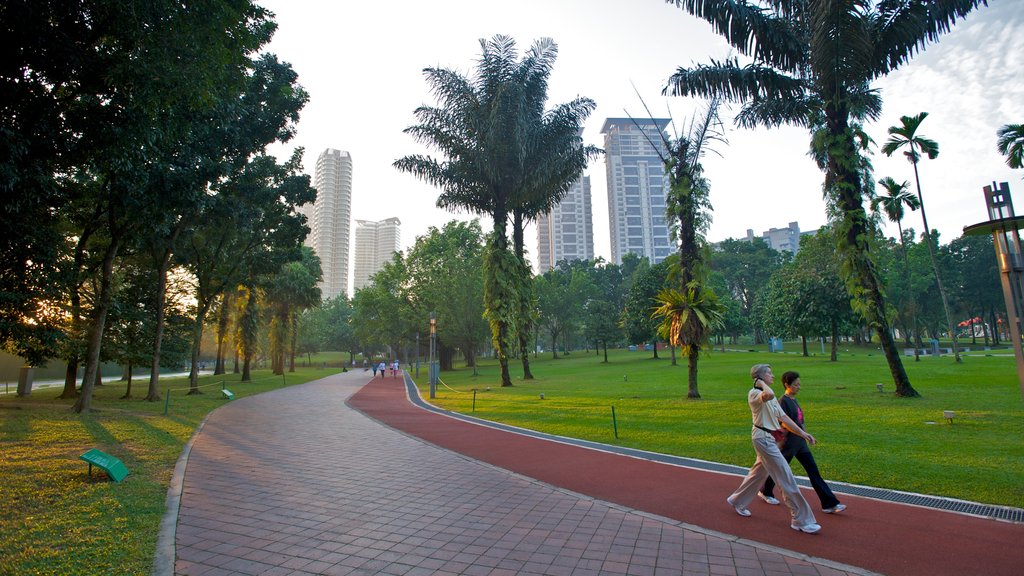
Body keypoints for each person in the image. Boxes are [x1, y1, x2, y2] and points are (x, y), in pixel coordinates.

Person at [726, 364, 821, 534]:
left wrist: (803, 434)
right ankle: (801, 520)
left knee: (758, 474)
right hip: (762, 439)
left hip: (769, 439)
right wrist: (760, 383)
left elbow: (783, 418)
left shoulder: (772, 396)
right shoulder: (755, 393)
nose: (773, 376)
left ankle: (737, 500)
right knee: (785, 476)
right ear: (760, 377)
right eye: (769, 373)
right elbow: (767, 394)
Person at [757, 371, 846, 514]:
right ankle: (766, 491)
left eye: (799, 384)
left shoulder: (794, 400)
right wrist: (800, 433)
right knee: (778, 471)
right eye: (796, 384)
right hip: (788, 445)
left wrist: (807, 436)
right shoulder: (783, 401)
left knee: (813, 472)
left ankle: (829, 503)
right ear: (787, 385)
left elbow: (799, 422)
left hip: (800, 444)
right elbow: (784, 423)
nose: (799, 387)